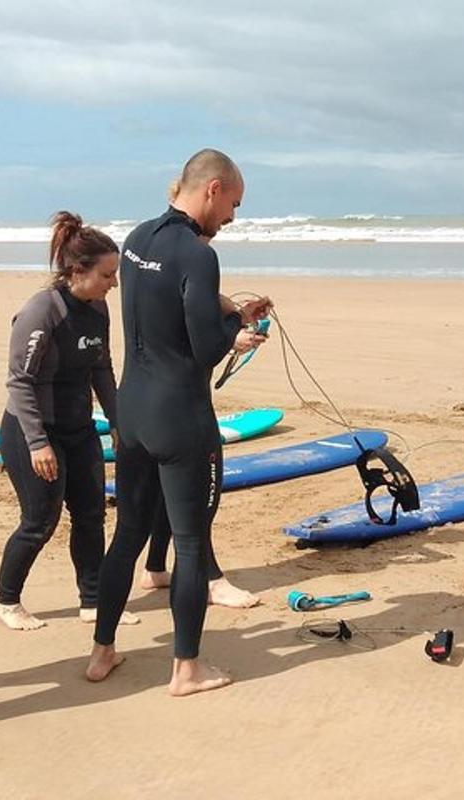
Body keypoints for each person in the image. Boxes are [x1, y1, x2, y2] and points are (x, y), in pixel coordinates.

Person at [87, 149, 272, 695]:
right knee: (190, 544)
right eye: (233, 204)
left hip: (132, 409)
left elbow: (166, 308)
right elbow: (201, 350)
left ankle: (102, 653)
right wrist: (237, 327)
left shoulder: (136, 239)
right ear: (212, 189)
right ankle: (187, 668)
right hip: (180, 416)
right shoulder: (198, 254)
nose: (233, 217)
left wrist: (228, 315)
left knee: (127, 536)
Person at [0, 211, 134, 630]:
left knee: (91, 514)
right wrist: (38, 443)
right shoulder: (43, 311)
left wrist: (117, 421)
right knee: (40, 521)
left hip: (78, 428)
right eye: (107, 275)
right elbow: (19, 381)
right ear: (77, 270)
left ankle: (92, 600)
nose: (114, 283)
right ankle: (7, 599)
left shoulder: (98, 309)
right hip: (30, 430)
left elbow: (101, 369)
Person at [139, 228, 268, 608]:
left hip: (149, 397)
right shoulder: (193, 259)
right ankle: (210, 579)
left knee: (168, 489)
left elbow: (199, 303)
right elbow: (203, 345)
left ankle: (155, 566)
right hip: (184, 402)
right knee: (199, 495)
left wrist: (239, 313)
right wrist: (234, 336)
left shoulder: (149, 259)